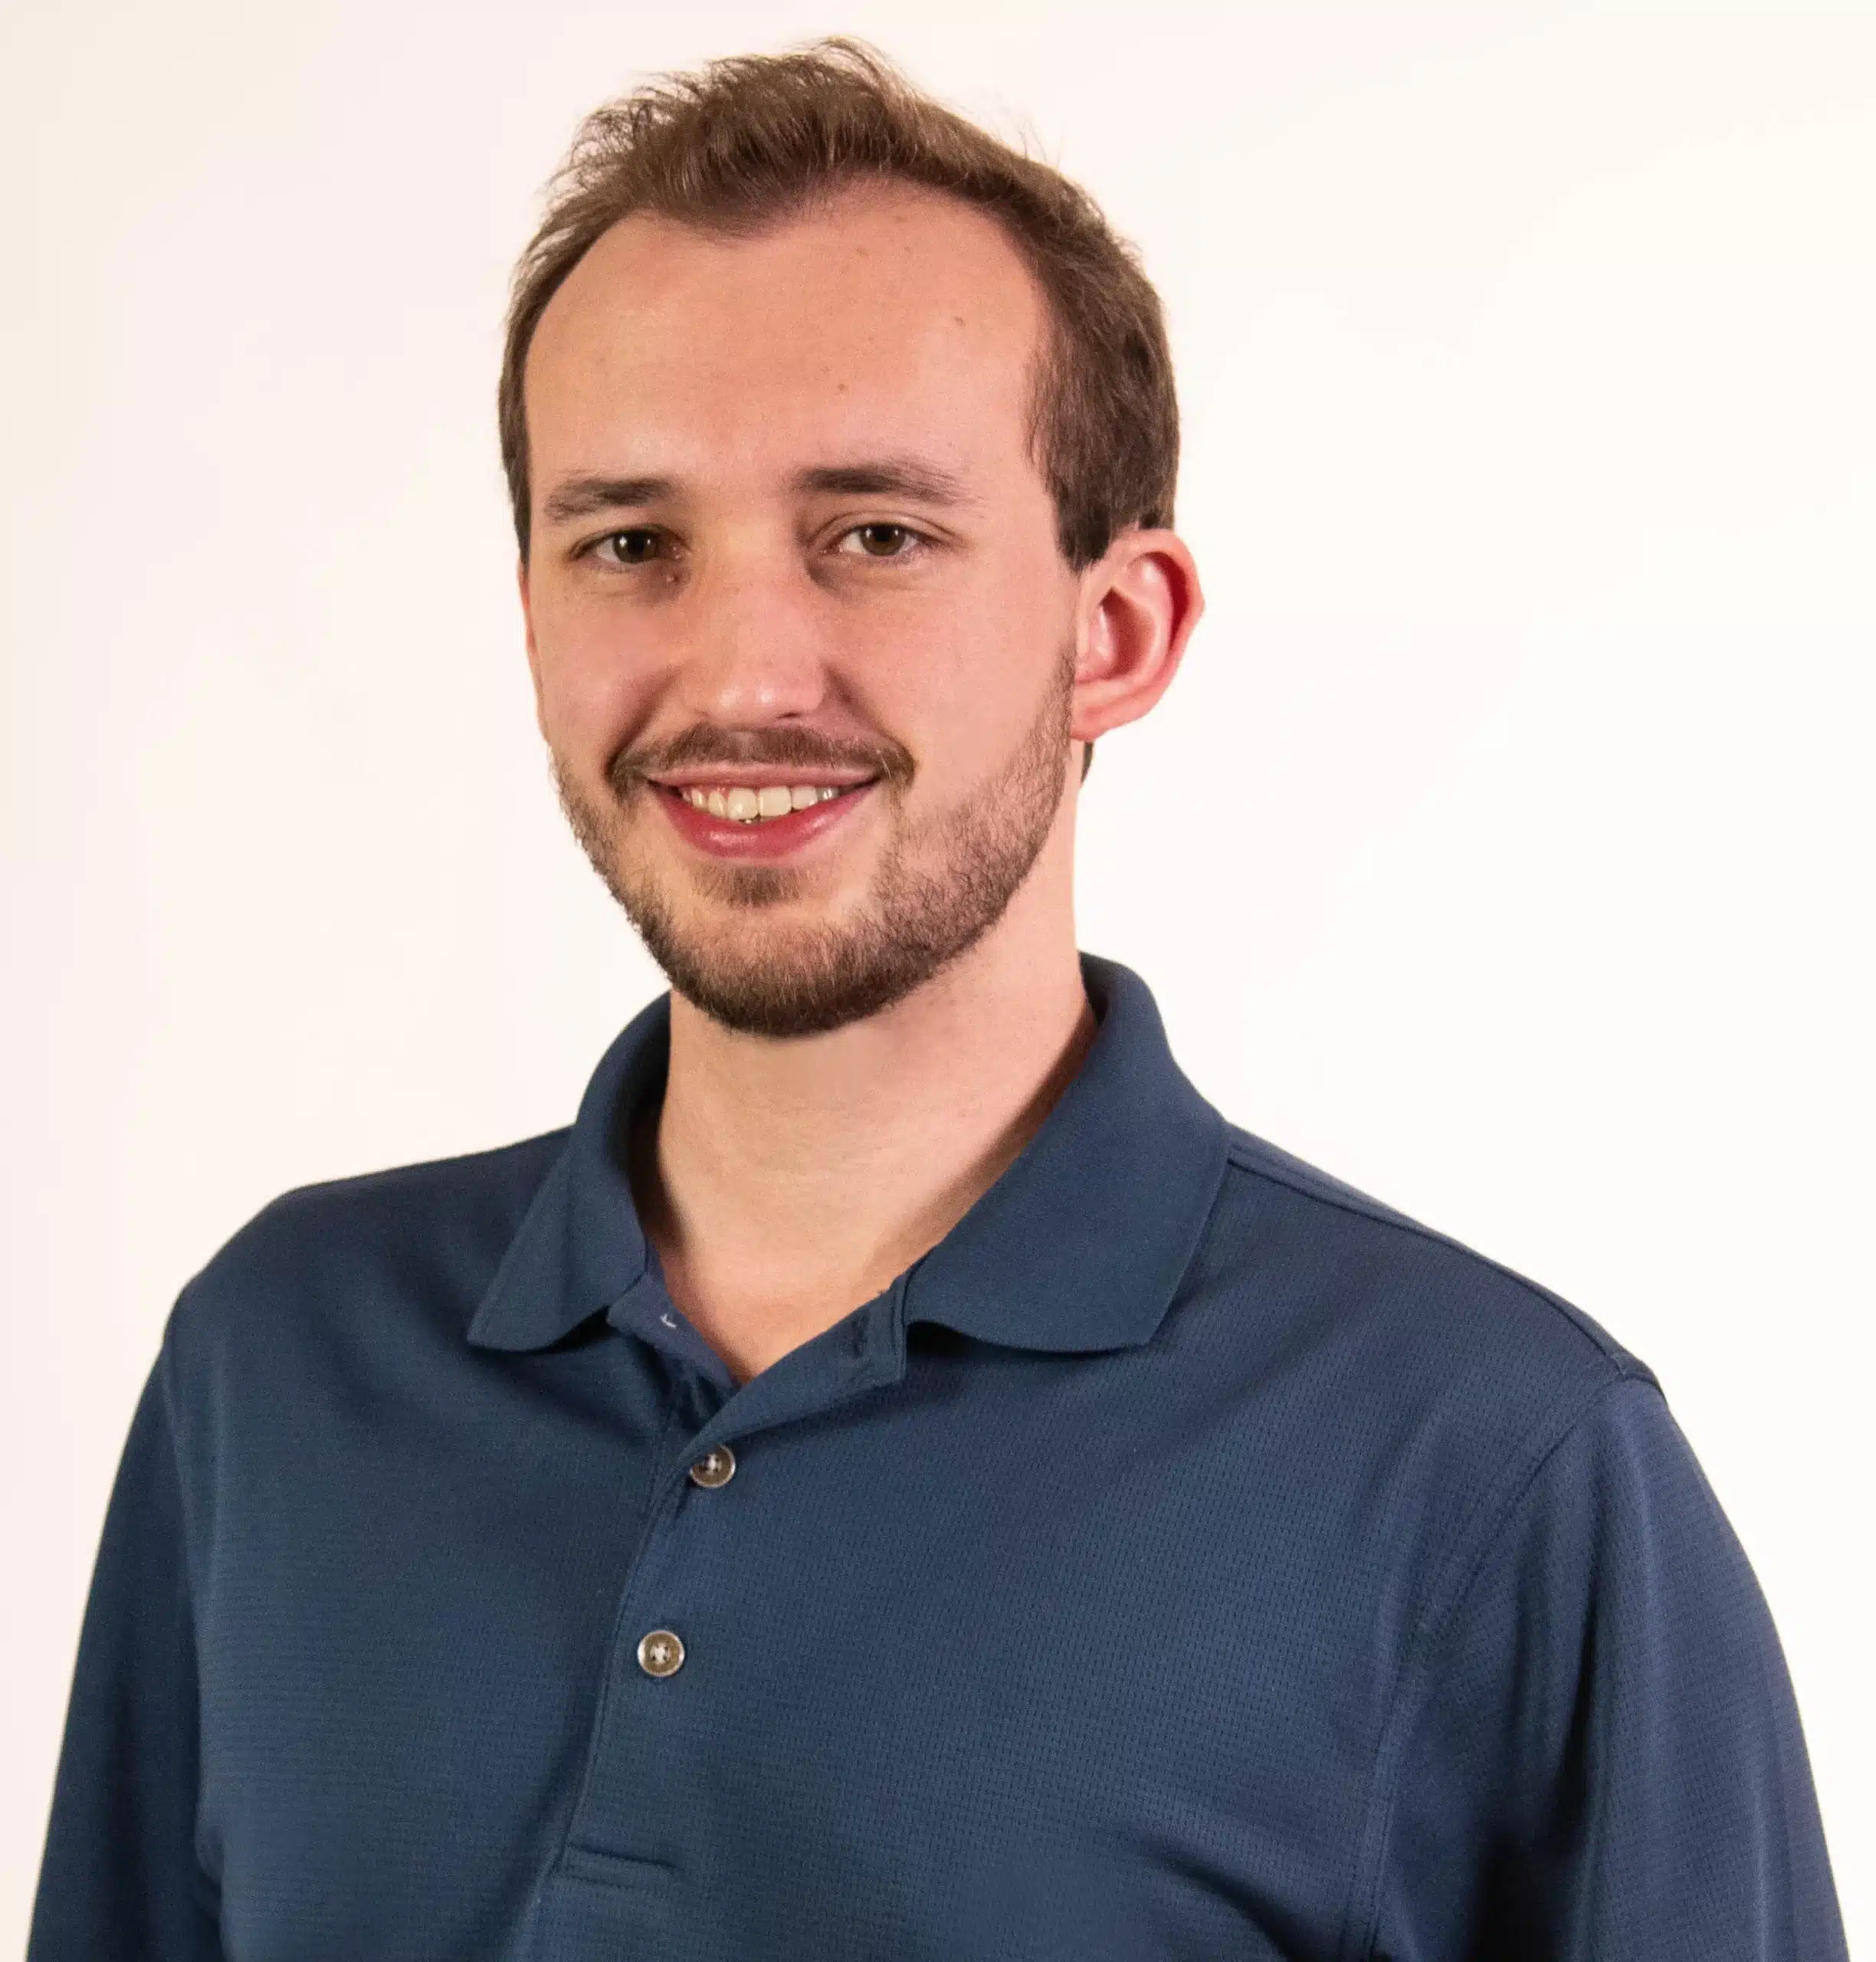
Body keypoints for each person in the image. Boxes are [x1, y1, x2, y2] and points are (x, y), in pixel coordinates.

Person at [28, 39, 1847, 1962]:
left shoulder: (1497, 1466)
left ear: (1116, 630)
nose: (741, 668)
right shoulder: (278, 1359)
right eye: (630, 542)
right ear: (535, 611)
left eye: (875, 535)